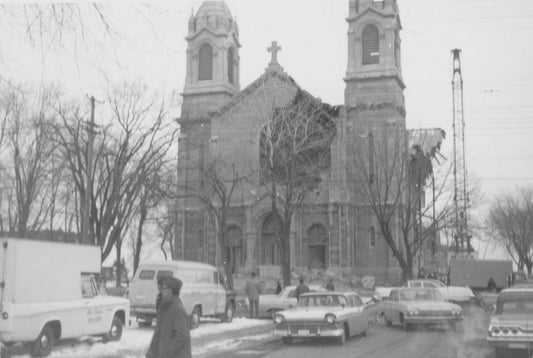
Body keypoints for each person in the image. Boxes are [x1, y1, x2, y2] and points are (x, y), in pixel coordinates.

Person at [146, 277, 191, 358]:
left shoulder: (177, 309)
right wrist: (152, 351)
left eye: (163, 288)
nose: (161, 291)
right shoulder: (165, 307)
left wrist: (166, 352)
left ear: (170, 291)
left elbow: (182, 336)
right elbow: (159, 332)